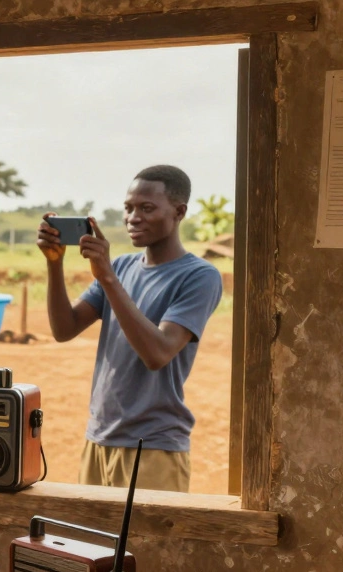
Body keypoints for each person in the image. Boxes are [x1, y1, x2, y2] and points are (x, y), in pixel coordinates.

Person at [36, 165, 223, 492]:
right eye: (128, 208)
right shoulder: (121, 266)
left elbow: (159, 352)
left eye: (146, 208)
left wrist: (106, 278)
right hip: (99, 438)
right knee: (94, 543)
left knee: (144, 544)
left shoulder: (199, 276)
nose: (133, 217)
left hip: (152, 447)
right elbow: (64, 329)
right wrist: (55, 263)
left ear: (179, 212)